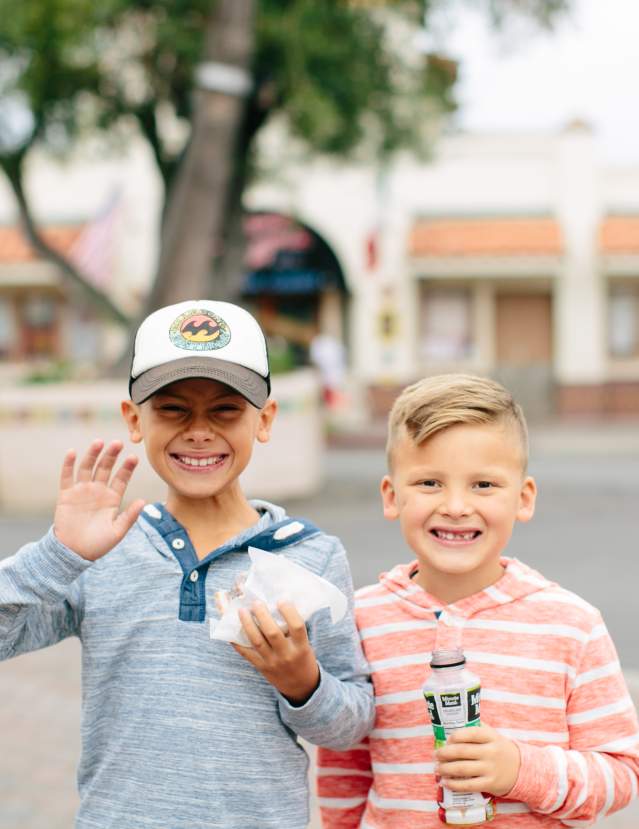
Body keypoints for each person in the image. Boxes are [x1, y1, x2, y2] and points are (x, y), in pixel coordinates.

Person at [0, 299, 374, 829]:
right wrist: (56, 556)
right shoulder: (102, 552)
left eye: (226, 409)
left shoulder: (310, 554)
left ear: (264, 420)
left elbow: (352, 725)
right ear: (134, 418)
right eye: (173, 409)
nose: (199, 430)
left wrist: (302, 682)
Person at [317, 373, 639, 827]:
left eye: (483, 485)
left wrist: (519, 769)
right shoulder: (361, 620)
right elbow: (343, 768)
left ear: (523, 499)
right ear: (391, 496)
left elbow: (621, 775)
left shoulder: (572, 625)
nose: (455, 505)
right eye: (429, 482)